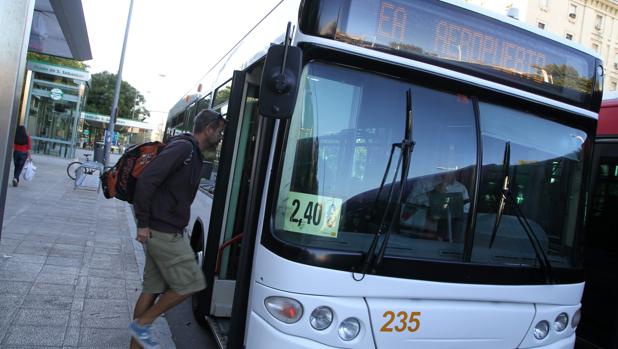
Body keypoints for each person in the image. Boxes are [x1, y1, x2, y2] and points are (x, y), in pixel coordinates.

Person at [129, 109, 226, 349]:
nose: (221, 137)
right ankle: (145, 321)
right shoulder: (183, 149)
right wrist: (142, 223)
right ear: (209, 129)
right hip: (163, 231)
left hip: (163, 228)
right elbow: (147, 180)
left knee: (151, 289)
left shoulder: (192, 152)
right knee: (191, 284)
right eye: (220, 131)